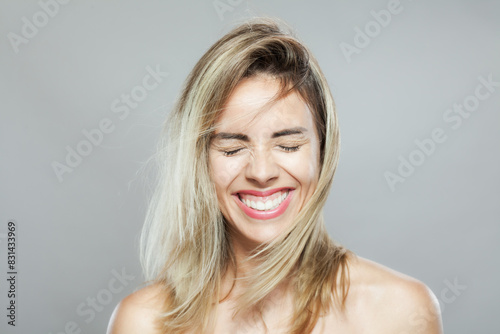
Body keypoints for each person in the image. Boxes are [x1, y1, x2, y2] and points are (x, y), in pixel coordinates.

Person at [107, 18, 443, 334]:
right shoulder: (144, 322)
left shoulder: (400, 312)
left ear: (322, 152)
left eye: (288, 145)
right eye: (232, 149)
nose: (262, 172)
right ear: (200, 160)